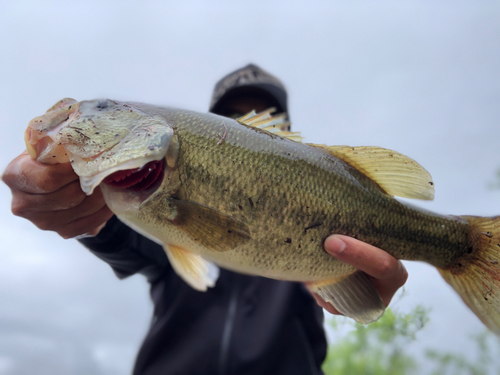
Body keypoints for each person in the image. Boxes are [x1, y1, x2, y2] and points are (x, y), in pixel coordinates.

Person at [3, 64, 408, 374]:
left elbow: (360, 290)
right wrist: (75, 209)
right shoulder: (151, 208)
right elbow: (118, 239)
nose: (249, 126)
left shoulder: (324, 204)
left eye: (267, 119)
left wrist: (361, 287)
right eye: (232, 118)